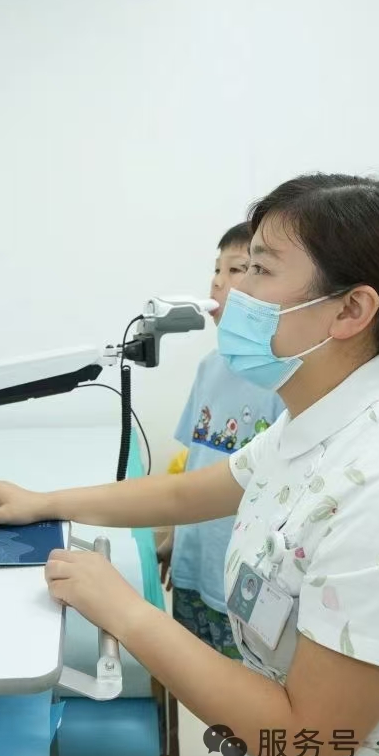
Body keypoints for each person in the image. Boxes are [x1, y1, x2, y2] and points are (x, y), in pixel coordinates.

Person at [0, 174, 379, 756]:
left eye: (259, 270)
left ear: (351, 310)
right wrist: (45, 503)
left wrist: (124, 611)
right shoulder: (320, 422)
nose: (232, 295)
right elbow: (187, 494)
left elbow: (309, 746)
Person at [159, 222, 286, 662]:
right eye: (216, 269)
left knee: (243, 684)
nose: (217, 281)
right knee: (191, 672)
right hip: (192, 565)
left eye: (236, 269)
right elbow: (191, 464)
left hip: (244, 581)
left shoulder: (281, 383)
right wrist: (174, 538)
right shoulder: (209, 368)